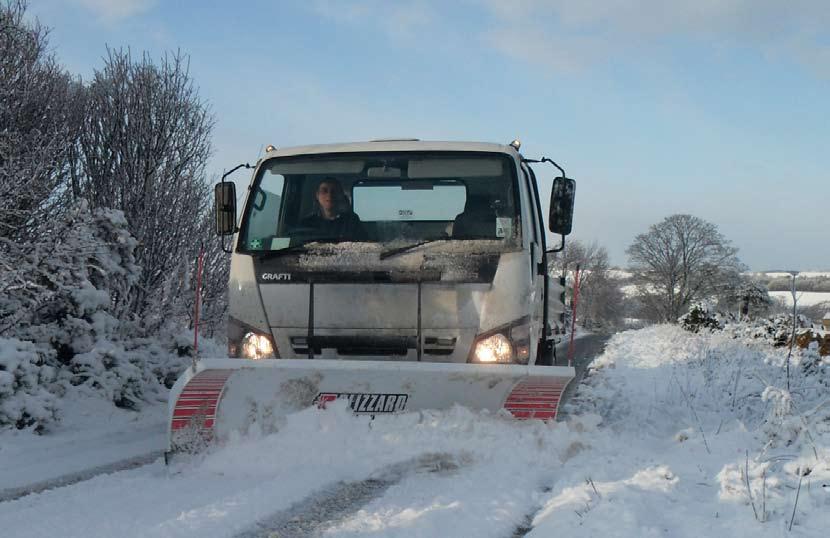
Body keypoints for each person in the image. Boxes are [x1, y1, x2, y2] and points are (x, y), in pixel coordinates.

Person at [298, 177, 367, 239]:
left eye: (334, 191)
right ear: (317, 195)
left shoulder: (352, 221)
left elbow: (362, 245)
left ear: (341, 195)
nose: (329, 194)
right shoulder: (307, 223)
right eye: (324, 191)